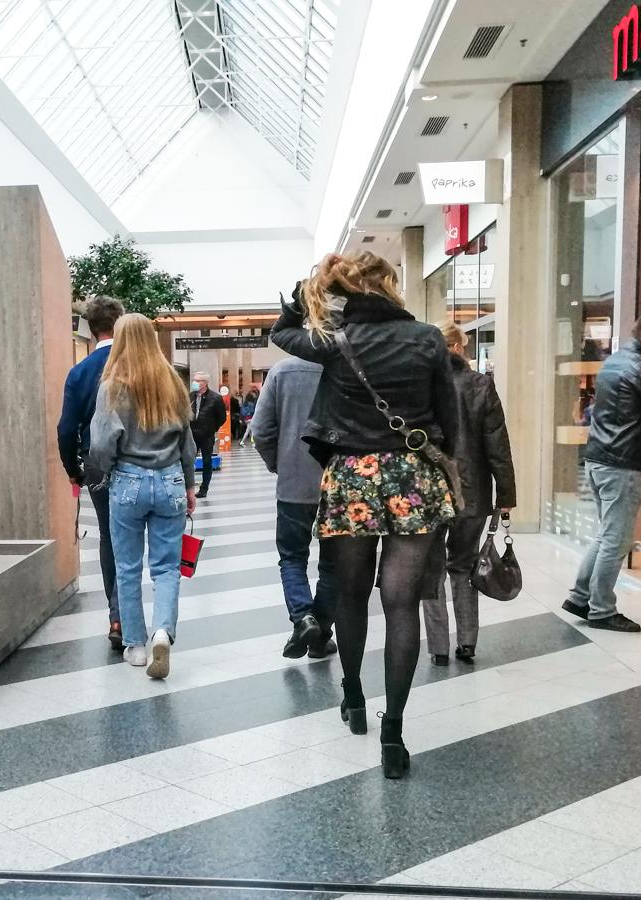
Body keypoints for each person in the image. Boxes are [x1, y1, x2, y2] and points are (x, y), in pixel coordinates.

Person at [271, 251, 459, 780]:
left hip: (352, 476)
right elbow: (450, 416)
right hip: (413, 478)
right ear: (392, 287)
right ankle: (394, 731)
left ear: (346, 290)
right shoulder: (426, 338)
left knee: (350, 593)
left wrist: (314, 289)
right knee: (401, 604)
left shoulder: (333, 340)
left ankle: (352, 695)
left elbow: (281, 329)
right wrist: (455, 480)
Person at [87, 314, 197, 680]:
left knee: (127, 567)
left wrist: (107, 470)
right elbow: (187, 440)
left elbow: (102, 443)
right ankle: (163, 631)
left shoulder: (112, 387)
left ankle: (135, 646)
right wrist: (189, 484)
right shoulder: (173, 383)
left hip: (129, 482)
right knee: (167, 568)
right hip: (169, 482)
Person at [563, 309, 641, 633]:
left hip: (597, 457)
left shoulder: (613, 362)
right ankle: (601, 609)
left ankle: (580, 596)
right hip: (622, 463)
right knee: (618, 539)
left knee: (606, 535)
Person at [421, 323, 516, 665]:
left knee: (432, 569)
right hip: (472, 494)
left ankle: (437, 648)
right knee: (463, 564)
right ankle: (467, 643)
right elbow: (497, 446)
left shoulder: (422, 387)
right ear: (460, 347)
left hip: (430, 495)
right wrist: (506, 494)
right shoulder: (480, 385)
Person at [250, 356, 337, 660]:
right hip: (338, 484)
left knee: (291, 557)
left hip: (294, 484)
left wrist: (279, 462)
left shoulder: (281, 372)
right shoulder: (345, 365)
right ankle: (321, 633)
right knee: (333, 564)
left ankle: (303, 617)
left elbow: (260, 430)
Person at [57, 296, 126, 650]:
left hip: (97, 463)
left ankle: (117, 615)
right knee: (138, 534)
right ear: (121, 321)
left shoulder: (80, 371)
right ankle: (144, 614)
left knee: (110, 535)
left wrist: (73, 469)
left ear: (89, 327)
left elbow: (66, 428)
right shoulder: (139, 366)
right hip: (137, 459)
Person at [189, 372, 226, 498]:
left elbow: (222, 418)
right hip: (191, 435)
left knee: (206, 462)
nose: (195, 382)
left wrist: (212, 429)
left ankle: (204, 489)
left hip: (206, 436)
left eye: (198, 380)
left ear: (205, 383)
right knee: (188, 461)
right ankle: (188, 487)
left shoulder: (215, 398)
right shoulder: (190, 396)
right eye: (194, 380)